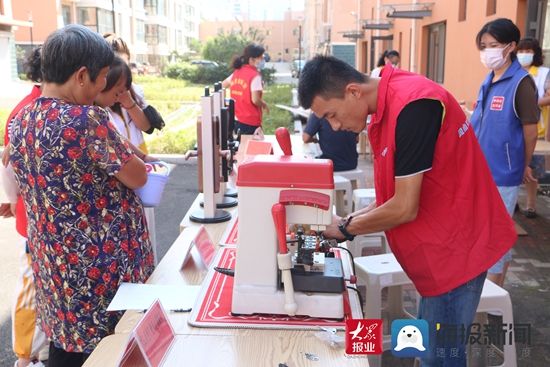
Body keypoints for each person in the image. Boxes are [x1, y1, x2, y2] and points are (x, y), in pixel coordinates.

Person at [298, 55, 516, 366]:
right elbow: (391, 196)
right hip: (435, 251)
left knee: (440, 359)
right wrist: (344, 221)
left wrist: (344, 230)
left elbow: (403, 207)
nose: (333, 126)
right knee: (426, 350)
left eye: (332, 115)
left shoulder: (414, 105)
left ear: (353, 91)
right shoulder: (386, 109)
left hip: (458, 252)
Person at [8, 25, 154, 366]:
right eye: (103, 77)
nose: (104, 86)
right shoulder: (85, 120)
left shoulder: (21, 120)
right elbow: (137, 175)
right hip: (100, 274)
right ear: (82, 75)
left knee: (66, 346)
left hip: (55, 269)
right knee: (111, 351)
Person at [470, 19, 539, 288]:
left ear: (511, 47)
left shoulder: (521, 82)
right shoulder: (489, 79)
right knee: (493, 229)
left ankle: (491, 289)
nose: (488, 51)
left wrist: (523, 164)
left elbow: (530, 131)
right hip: (481, 169)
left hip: (503, 171)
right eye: (484, 46)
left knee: (493, 232)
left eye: (494, 45)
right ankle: (496, 287)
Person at [1, 47, 48, 367]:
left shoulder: (29, 107)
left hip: (34, 217)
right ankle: (24, 356)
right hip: (35, 221)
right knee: (32, 289)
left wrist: (11, 199)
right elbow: (8, 163)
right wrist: (12, 200)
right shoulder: (28, 110)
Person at [103, 33, 160, 153]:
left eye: (124, 64)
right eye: (115, 65)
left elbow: (147, 128)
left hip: (139, 153)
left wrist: (129, 103)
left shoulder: (135, 90)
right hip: (118, 159)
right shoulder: (95, 97)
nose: (121, 70)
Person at [516, 37, 550, 218]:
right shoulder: (512, 71)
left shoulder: (544, 73)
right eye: (521, 51)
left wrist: (529, 104)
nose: (524, 55)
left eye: (528, 51)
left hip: (537, 128)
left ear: (535, 53)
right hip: (514, 127)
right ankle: (512, 202)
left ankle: (531, 204)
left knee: (532, 168)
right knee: (514, 166)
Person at [222, 43, 269, 137]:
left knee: (240, 148)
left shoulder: (237, 72)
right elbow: (255, 100)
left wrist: (224, 103)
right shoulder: (255, 76)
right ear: (252, 59)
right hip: (250, 122)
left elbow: (222, 85)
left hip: (236, 120)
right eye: (261, 57)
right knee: (252, 149)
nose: (263, 60)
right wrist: (264, 104)